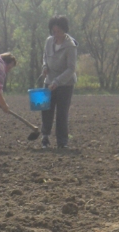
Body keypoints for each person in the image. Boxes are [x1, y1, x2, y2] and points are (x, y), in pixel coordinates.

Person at [41, 15, 77, 149]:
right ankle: (45, 137)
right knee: (46, 110)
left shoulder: (70, 46)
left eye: (58, 32)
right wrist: (44, 67)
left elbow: (71, 68)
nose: (56, 35)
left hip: (65, 84)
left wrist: (57, 81)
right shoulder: (49, 41)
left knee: (61, 113)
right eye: (53, 31)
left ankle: (62, 141)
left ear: (64, 30)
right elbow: (45, 57)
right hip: (49, 81)